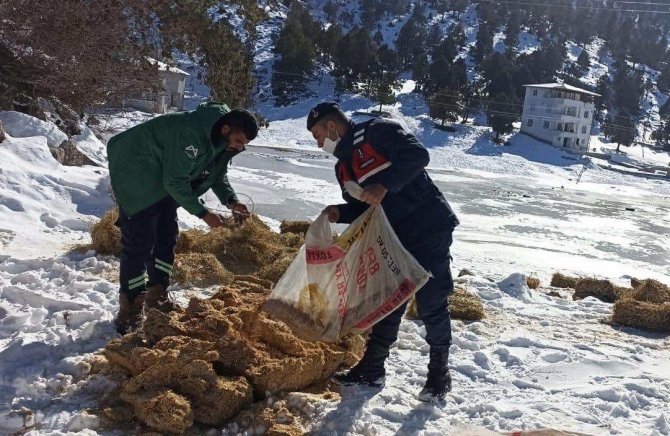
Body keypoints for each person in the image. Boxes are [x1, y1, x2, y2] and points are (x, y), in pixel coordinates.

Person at [307, 102, 459, 402]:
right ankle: (373, 368)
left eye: (317, 134)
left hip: (429, 228)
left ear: (332, 127)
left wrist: (385, 185)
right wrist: (340, 212)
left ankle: (439, 373)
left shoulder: (378, 132)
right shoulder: (342, 168)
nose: (317, 142)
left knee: (431, 302)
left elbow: (418, 155)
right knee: (387, 301)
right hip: (392, 237)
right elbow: (364, 206)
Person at [107, 102, 258, 334]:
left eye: (244, 145)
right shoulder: (192, 132)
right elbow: (175, 181)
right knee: (140, 241)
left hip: (164, 176)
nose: (239, 148)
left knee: (166, 235)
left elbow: (216, 175)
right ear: (226, 129)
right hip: (137, 170)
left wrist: (231, 200)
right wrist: (204, 214)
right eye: (239, 141)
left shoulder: (222, 142)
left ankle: (157, 296)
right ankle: (130, 309)